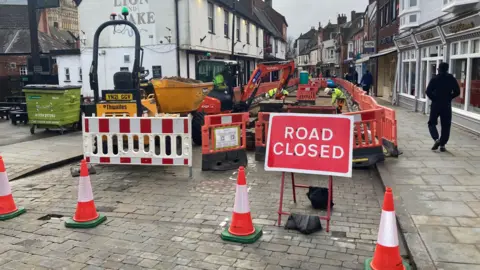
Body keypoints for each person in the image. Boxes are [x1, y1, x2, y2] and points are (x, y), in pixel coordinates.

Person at [425, 62, 460, 152]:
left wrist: (434, 98)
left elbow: (428, 91)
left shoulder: (435, 79)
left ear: (439, 69)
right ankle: (442, 144)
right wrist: (449, 97)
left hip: (436, 104)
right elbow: (457, 91)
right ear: (447, 69)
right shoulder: (451, 79)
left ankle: (436, 139)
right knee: (446, 125)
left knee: (431, 123)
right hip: (446, 105)